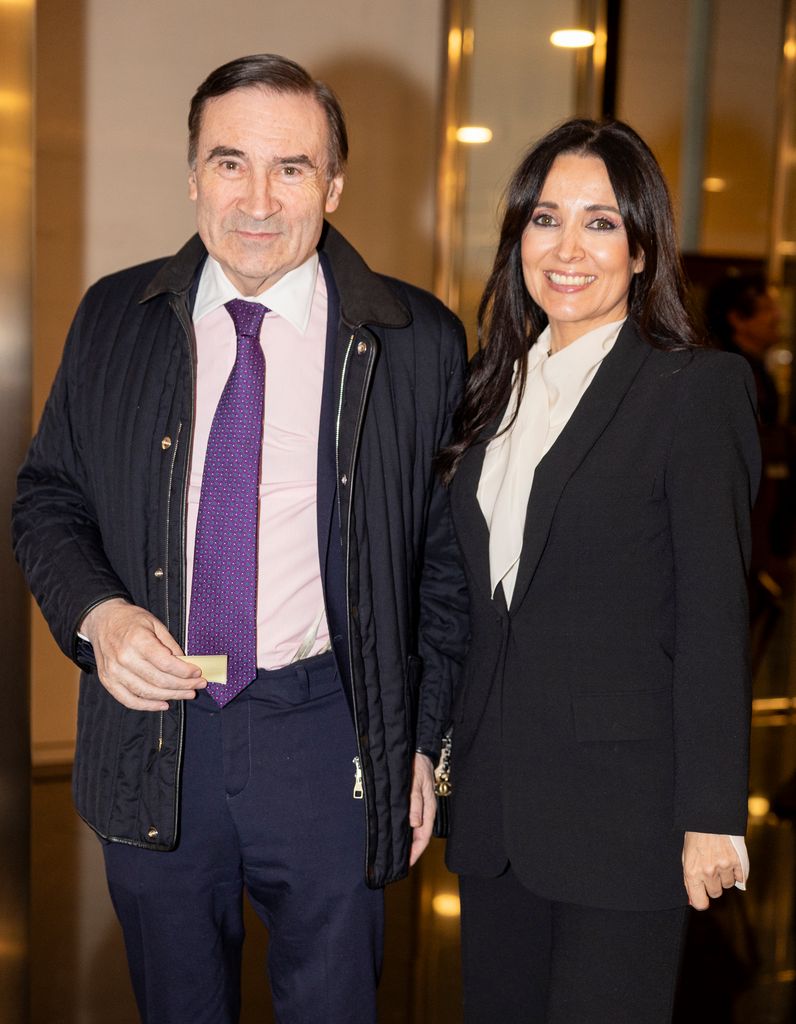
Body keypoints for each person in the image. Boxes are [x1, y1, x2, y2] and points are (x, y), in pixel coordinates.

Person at [13, 53, 468, 1024]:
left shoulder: (414, 341)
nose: (258, 198)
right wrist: (98, 614)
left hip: (327, 731)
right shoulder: (114, 319)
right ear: (192, 175)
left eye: (291, 168)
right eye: (230, 163)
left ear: (333, 184)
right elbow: (47, 499)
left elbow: (442, 568)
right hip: (153, 732)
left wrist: (424, 741)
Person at [436, 118, 760, 1023]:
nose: (568, 248)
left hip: (630, 819)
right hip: (497, 813)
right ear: (517, 239)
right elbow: (471, 607)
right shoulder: (487, 389)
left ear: (646, 248)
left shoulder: (695, 390)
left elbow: (712, 617)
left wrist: (712, 814)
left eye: (602, 222)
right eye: (546, 219)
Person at [705, 272, 794, 612]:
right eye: (766, 308)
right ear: (737, 319)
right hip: (740, 552)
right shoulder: (724, 377)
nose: (779, 316)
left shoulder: (752, 371)